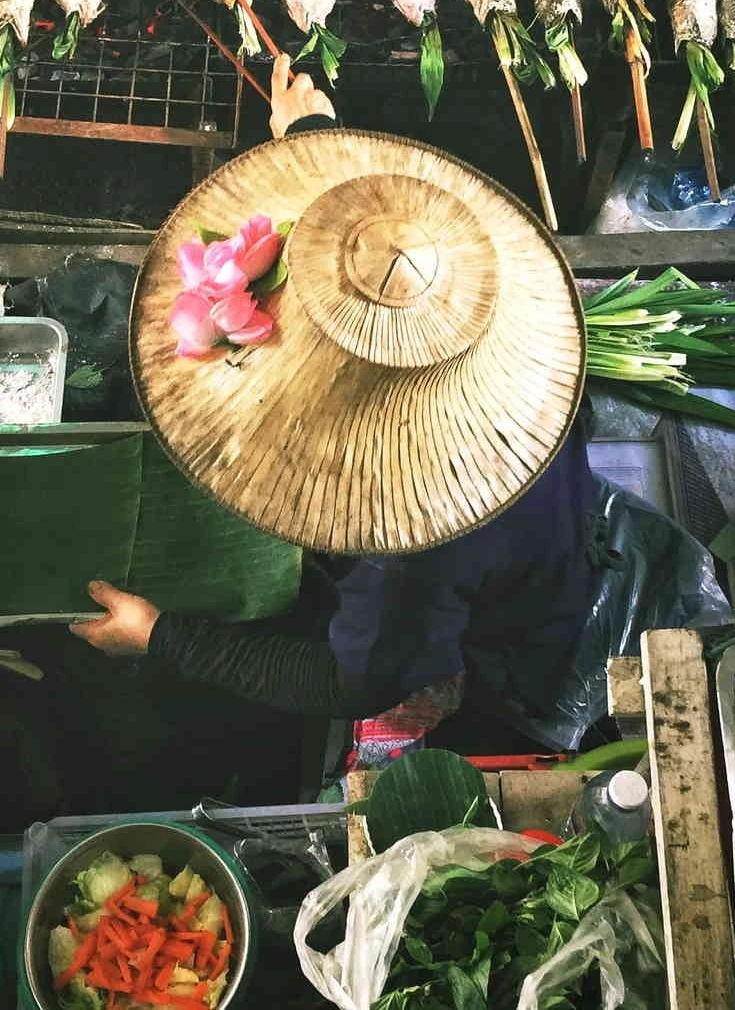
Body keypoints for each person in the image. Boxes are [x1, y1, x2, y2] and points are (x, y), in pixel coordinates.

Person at [70, 59, 602, 759]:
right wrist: (313, 136)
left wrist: (161, 635)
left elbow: (349, 684)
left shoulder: (404, 541)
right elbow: (384, 259)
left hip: (522, 614)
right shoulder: (481, 290)